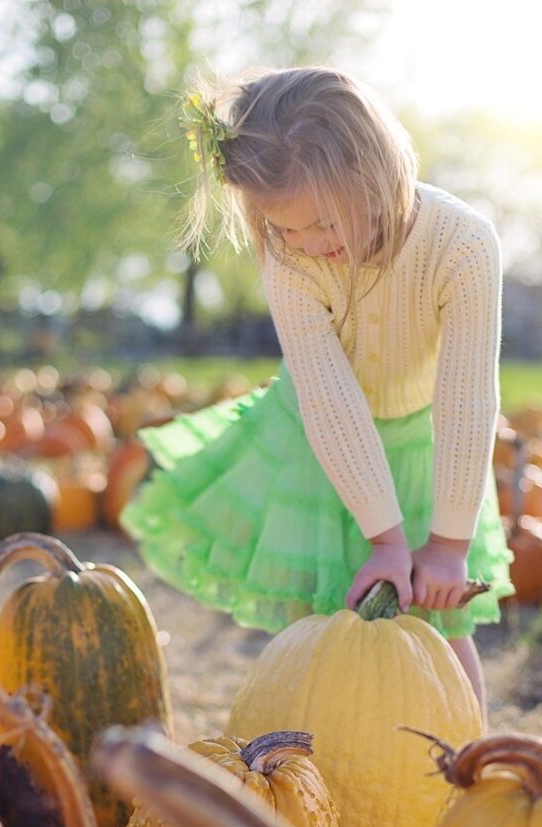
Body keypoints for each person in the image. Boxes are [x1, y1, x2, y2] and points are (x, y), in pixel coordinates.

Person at [121, 66, 514, 721]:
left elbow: (467, 403)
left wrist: (443, 545)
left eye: (322, 225)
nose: (305, 244)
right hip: (320, 439)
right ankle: (310, 762)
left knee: (443, 629)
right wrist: (384, 540)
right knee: (322, 616)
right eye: (283, 228)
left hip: (423, 440)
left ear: (375, 178)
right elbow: (330, 403)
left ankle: (468, 764)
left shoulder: (463, 245)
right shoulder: (293, 262)